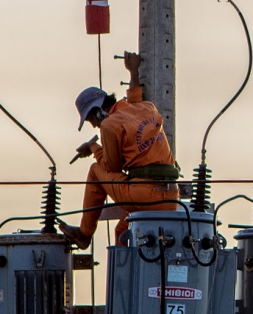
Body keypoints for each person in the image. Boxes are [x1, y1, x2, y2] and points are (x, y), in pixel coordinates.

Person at [59, 51, 180, 249]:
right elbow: (135, 92)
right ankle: (125, 276)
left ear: (99, 111)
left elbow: (112, 167)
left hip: (145, 195)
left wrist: (93, 147)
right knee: (122, 230)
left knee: (95, 171)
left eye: (91, 120)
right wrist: (133, 70)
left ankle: (84, 234)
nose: (94, 126)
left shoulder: (109, 125)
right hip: (170, 197)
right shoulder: (145, 107)